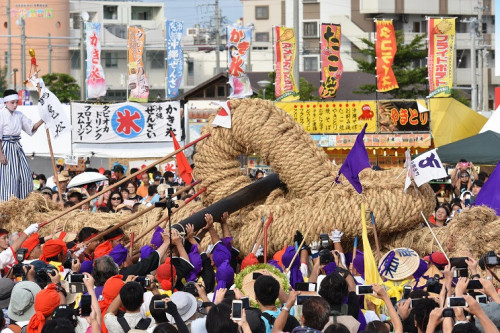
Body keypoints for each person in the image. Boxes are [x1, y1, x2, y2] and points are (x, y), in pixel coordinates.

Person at [0, 89, 44, 202]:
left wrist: (43, 120)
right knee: (10, 177)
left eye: (16, 102)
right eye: (12, 102)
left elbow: (31, 128)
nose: (15, 105)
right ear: (5, 102)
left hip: (17, 147)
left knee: (25, 175)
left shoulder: (19, 115)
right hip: (5, 147)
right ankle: (9, 202)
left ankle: (24, 202)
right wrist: (1, 154)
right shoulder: (1, 114)